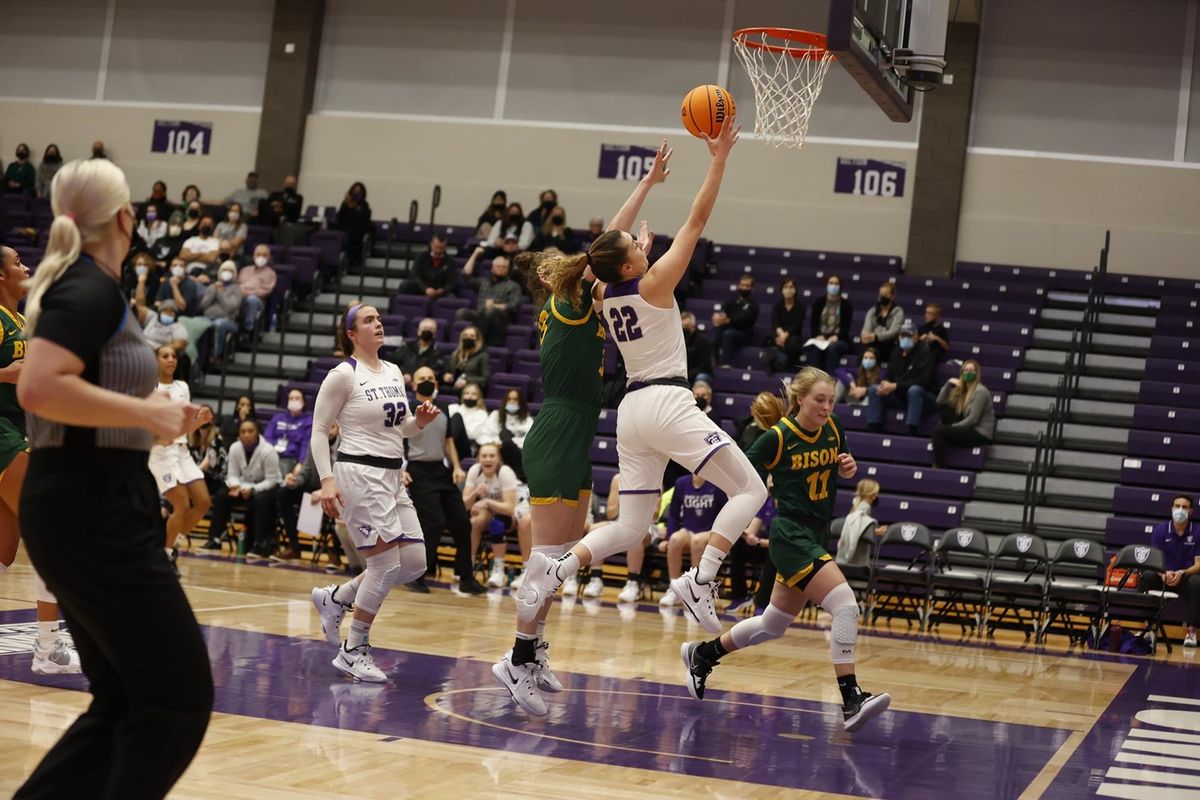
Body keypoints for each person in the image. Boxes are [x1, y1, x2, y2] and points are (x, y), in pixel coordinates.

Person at [517, 121, 768, 637]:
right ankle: (702, 579)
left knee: (632, 525)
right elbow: (696, 221)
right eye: (634, 243)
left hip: (630, 413)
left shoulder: (606, 294)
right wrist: (718, 158)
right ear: (632, 259)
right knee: (751, 490)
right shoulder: (654, 282)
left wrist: (635, 235)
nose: (638, 240)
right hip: (667, 401)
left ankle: (560, 568)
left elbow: (605, 252)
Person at [15, 157, 212, 797]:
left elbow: (80, 395)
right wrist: (145, 412)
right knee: (176, 698)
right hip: (89, 501)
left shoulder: (90, 285)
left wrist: (155, 421)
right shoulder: (89, 287)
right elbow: (41, 388)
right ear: (127, 217)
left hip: (89, 494)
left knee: (125, 700)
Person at [681, 367, 891, 733]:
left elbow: (842, 462)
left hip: (816, 532)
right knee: (844, 604)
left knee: (773, 624)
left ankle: (703, 654)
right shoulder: (777, 438)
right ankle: (851, 698)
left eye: (830, 401)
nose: (827, 407)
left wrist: (848, 466)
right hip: (791, 533)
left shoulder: (834, 428)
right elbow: (739, 474)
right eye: (819, 400)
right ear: (799, 400)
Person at [491, 203, 629, 713]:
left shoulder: (583, 304)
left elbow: (607, 250)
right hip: (555, 434)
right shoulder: (568, 301)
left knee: (563, 558)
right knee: (545, 561)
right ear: (550, 278)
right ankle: (514, 659)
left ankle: (531, 652)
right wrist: (643, 188)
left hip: (578, 438)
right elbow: (605, 243)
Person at [307, 304, 439, 681]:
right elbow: (319, 430)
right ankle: (354, 647)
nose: (378, 323)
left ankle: (338, 597)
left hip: (393, 475)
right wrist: (326, 480)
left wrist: (420, 422)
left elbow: (401, 431)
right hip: (359, 474)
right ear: (351, 334)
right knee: (385, 566)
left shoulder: (395, 371)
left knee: (414, 562)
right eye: (368, 320)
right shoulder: (342, 375)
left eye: (379, 318)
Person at [0, 245, 80, 676]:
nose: (25, 267)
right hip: (1, 433)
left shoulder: (19, 322)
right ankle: (47, 647)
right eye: (16, 263)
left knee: (4, 548)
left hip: (17, 429)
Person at [401, 365, 484, 595]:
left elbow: (448, 442)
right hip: (417, 471)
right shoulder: (407, 409)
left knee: (462, 523)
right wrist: (401, 467)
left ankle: (466, 578)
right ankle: (416, 576)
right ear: (414, 384)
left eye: (431, 377)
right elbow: (395, 439)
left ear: (436, 383)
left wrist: (456, 466)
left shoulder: (445, 408)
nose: (427, 381)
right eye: (422, 378)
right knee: (434, 522)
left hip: (441, 471)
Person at [148, 345, 213, 573]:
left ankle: (170, 544)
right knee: (181, 505)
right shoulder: (149, 389)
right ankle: (165, 557)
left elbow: (186, 425)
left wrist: (200, 420)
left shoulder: (182, 387)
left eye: (173, 356)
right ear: (155, 361)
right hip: (160, 453)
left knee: (203, 502)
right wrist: (157, 439)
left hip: (182, 449)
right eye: (165, 356)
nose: (170, 360)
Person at [208, 419, 281, 560]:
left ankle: (258, 544)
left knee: (260, 499)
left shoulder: (269, 451)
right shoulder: (235, 448)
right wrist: (236, 486)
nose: (246, 434)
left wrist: (253, 490)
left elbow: (272, 480)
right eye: (243, 432)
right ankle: (215, 539)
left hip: (267, 488)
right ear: (239, 435)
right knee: (222, 495)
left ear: (257, 433)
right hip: (244, 486)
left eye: (250, 431)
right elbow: (232, 474)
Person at [658, 474, 728, 607]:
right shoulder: (681, 483)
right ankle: (674, 588)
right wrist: (667, 537)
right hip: (689, 530)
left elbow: (725, 511)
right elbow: (673, 514)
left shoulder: (717, 484)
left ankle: (696, 591)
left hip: (711, 531)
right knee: (675, 540)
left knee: (697, 541)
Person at [1142, 495, 1199, 648]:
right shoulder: (1160, 530)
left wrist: (1182, 573)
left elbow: (1199, 564)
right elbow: (1154, 560)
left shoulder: (1198, 531)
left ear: (1191, 511)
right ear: (1172, 508)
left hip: (1186, 577)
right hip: (1164, 576)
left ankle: (1192, 631)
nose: (1180, 509)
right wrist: (1163, 574)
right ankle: (1148, 628)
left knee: (1197, 582)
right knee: (1146, 576)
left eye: (1184, 507)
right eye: (1177, 506)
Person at [265, 388, 314, 560]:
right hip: (273, 462)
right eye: (291, 397)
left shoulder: (308, 421)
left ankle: (293, 545)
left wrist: (299, 465)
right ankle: (265, 542)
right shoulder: (278, 418)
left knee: (282, 494)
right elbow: (267, 440)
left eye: (297, 397)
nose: (293, 400)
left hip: (294, 464)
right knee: (265, 495)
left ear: (303, 401)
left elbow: (307, 446)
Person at [463, 443, 520, 588]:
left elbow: (509, 508)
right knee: (474, 521)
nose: (488, 459)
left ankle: (499, 571)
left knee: (497, 524)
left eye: (492, 456)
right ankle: (467, 565)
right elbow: (464, 505)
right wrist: (476, 493)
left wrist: (486, 501)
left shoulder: (505, 472)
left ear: (498, 459)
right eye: (484, 456)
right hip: (491, 509)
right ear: (478, 459)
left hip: (517, 508)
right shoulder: (474, 471)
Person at [867, 319, 937, 435]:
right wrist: (884, 383)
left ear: (916, 337)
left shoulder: (926, 354)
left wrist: (895, 386)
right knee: (875, 389)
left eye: (908, 335)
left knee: (914, 390)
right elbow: (889, 374)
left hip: (924, 397)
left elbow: (923, 381)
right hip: (901, 396)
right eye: (902, 335)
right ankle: (874, 429)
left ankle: (912, 430)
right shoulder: (896, 352)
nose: (905, 338)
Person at [931, 359, 995, 468]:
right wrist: (948, 383)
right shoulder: (962, 390)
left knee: (938, 431)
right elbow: (939, 402)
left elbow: (973, 419)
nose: (968, 373)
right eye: (965, 370)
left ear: (977, 373)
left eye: (971, 370)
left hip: (980, 433)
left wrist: (953, 427)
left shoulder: (980, 391)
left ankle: (939, 467)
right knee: (945, 409)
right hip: (969, 428)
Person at [459, 249, 523, 347]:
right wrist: (475, 254)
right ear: (492, 268)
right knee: (461, 313)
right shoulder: (483, 282)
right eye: (498, 266)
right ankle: (462, 345)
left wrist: (496, 306)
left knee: (490, 312)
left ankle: (477, 344)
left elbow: (514, 305)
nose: (501, 269)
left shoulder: (513, 286)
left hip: (500, 318)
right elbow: (466, 276)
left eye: (504, 267)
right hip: (480, 314)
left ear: (508, 270)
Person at [804, 274, 853, 374]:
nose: (833, 286)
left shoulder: (846, 305)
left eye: (836, 283)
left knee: (832, 348)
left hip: (839, 339)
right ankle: (812, 378)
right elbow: (813, 324)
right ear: (827, 285)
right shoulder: (818, 302)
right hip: (820, 338)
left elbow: (846, 327)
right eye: (831, 283)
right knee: (814, 349)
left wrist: (837, 337)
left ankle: (830, 377)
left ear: (840, 286)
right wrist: (818, 335)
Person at [480, 387, 534, 477]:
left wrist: (509, 442)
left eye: (515, 399)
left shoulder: (527, 420)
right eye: (509, 399)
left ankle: (520, 477)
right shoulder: (495, 415)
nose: (512, 402)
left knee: (507, 441)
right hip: (495, 449)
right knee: (504, 436)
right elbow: (484, 434)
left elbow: (529, 441)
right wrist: (495, 443)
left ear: (521, 402)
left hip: (517, 453)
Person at [835, 479, 887, 568]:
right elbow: (859, 526)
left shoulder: (858, 504)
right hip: (858, 552)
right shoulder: (865, 507)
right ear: (872, 494)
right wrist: (875, 531)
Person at [710, 274, 759, 367]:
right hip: (728, 329)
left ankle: (725, 363)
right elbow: (723, 311)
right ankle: (712, 360)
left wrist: (729, 321)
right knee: (717, 330)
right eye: (742, 285)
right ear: (739, 286)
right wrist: (718, 316)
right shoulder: (731, 301)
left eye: (747, 286)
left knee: (728, 334)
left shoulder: (754, 305)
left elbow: (744, 320)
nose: (744, 288)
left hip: (744, 334)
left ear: (752, 288)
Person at [199, 260, 243, 358]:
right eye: (224, 270)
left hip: (228, 319)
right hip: (208, 317)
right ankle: (200, 355)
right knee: (197, 322)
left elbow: (229, 307)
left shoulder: (236, 289)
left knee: (218, 325)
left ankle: (216, 354)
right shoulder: (212, 286)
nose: (226, 272)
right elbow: (203, 306)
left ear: (234, 274)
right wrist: (213, 291)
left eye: (230, 271)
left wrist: (219, 292)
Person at [766, 278, 805, 373]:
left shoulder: (800, 307)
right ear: (782, 290)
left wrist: (784, 336)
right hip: (779, 336)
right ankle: (778, 360)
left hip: (793, 337)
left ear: (795, 290)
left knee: (793, 343)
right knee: (770, 338)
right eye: (786, 287)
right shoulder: (777, 306)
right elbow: (775, 323)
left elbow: (796, 325)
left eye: (791, 287)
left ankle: (776, 359)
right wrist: (781, 335)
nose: (788, 289)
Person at [859, 281, 903, 363]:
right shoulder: (872, 311)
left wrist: (876, 336)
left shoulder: (898, 311)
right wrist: (865, 335)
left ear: (892, 296)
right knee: (865, 351)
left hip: (889, 343)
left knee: (879, 352)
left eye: (886, 295)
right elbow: (866, 327)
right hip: (872, 342)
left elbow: (894, 331)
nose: (883, 297)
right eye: (881, 294)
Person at [238, 244, 277, 331]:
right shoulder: (244, 270)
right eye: (258, 254)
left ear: (269, 257)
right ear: (254, 255)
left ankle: (248, 328)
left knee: (251, 299)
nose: (260, 257)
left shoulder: (270, 273)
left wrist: (247, 293)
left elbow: (266, 291)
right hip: (241, 297)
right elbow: (238, 285)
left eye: (264, 255)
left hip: (258, 301)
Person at [397, 317, 446, 385]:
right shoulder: (407, 347)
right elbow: (392, 363)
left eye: (431, 330)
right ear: (419, 331)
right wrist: (403, 374)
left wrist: (414, 377)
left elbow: (437, 372)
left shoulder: (437, 353)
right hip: (401, 383)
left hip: (422, 387)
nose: (427, 331)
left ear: (434, 334)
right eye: (425, 328)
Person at [443, 325, 490, 391]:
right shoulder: (456, 354)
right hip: (454, 387)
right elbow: (448, 371)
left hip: (471, 389)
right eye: (465, 336)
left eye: (472, 336)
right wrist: (446, 376)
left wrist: (467, 381)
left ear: (477, 339)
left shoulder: (483, 356)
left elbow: (485, 379)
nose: (468, 338)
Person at [336, 181, 372, 266]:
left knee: (351, 236)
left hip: (358, 230)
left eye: (359, 191)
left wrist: (353, 208)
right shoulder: (345, 203)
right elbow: (340, 217)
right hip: (345, 228)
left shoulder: (364, 205)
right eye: (355, 190)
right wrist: (348, 204)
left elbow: (361, 219)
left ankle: (350, 261)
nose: (356, 192)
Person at [448, 382, 488, 457]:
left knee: (457, 417)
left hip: (465, 447)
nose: (469, 396)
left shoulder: (481, 414)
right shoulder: (453, 408)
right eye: (467, 393)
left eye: (473, 394)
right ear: (462, 396)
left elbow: (471, 434)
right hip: (448, 441)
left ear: (479, 397)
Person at [681, 311, 714, 385]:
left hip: (699, 373)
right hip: (683, 373)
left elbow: (706, 366)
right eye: (681, 326)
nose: (683, 329)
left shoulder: (702, 341)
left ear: (693, 326)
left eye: (686, 326)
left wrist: (687, 374)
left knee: (701, 377)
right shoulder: (677, 340)